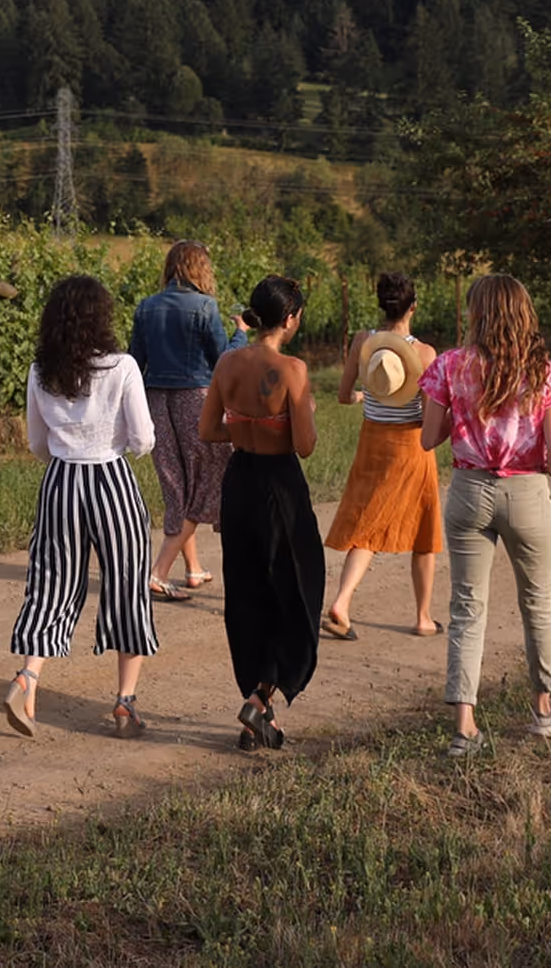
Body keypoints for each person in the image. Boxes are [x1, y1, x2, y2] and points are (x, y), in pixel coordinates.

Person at [420, 274, 551, 758]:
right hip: (526, 492)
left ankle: (464, 727)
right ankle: (544, 707)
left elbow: (429, 438)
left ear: (477, 314)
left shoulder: (450, 365)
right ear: (522, 314)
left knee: (467, 609)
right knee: (537, 603)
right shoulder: (544, 372)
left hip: (468, 491)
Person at [4, 276, 158, 739]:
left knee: (50, 582)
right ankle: (124, 704)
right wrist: (122, 447)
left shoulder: (40, 369)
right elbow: (144, 438)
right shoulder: (122, 367)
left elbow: (36, 442)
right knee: (127, 585)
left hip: (60, 482)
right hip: (111, 479)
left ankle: (28, 678)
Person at [198, 275, 321, 752]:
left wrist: (247, 429)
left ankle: (259, 710)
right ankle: (262, 694)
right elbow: (305, 445)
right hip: (279, 487)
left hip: (240, 483)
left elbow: (209, 430)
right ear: (289, 319)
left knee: (248, 594)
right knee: (295, 590)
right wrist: (289, 420)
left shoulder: (229, 363)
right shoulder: (292, 370)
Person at [322, 272, 442, 641]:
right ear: (413, 306)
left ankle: (343, 600)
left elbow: (344, 395)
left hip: (371, 442)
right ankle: (422, 617)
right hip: (410, 447)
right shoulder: (423, 353)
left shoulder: (363, 342)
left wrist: (363, 397)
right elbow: (427, 416)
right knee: (424, 531)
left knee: (369, 523)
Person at [127, 240, 245, 600]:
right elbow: (224, 358)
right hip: (196, 398)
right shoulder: (205, 306)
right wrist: (241, 332)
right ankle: (158, 572)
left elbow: (134, 361)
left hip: (156, 401)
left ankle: (192, 568)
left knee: (177, 483)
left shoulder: (146, 307)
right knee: (209, 479)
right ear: (199, 268)